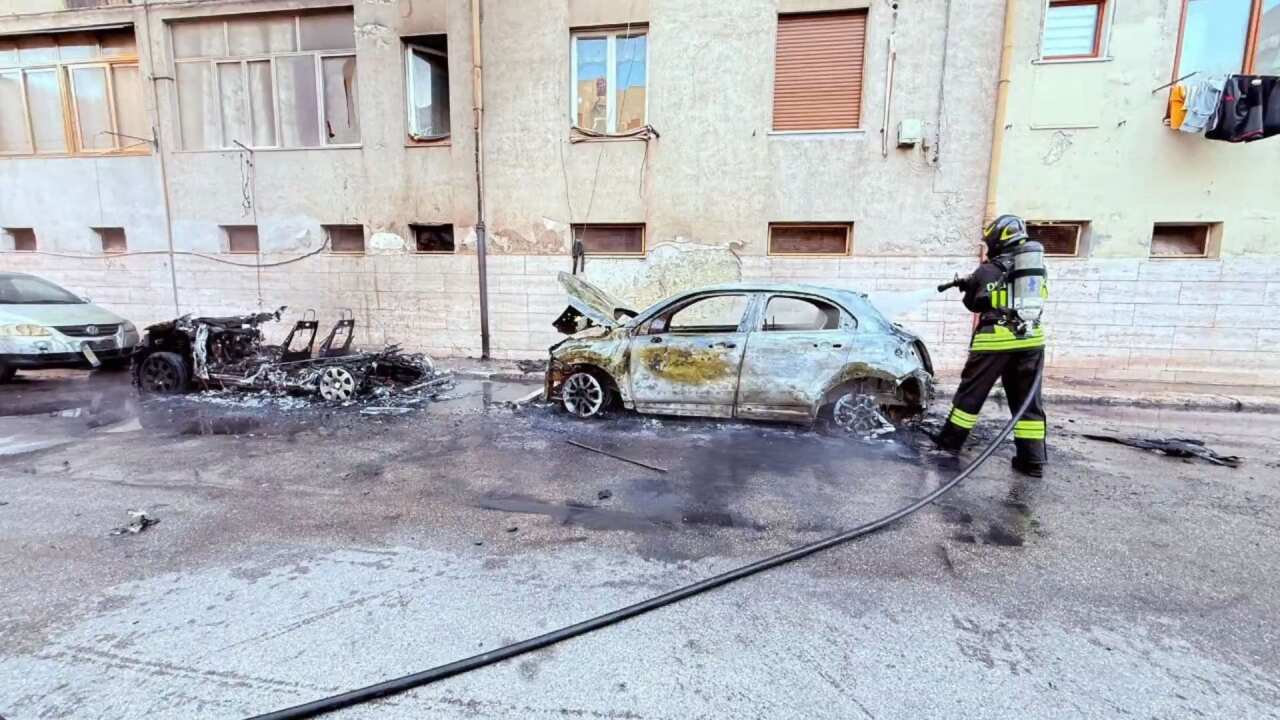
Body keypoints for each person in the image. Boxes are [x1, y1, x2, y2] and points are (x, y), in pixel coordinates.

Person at [935, 214, 1048, 477]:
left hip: (995, 340)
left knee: (970, 398)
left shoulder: (988, 269)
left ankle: (949, 447)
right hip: (1031, 341)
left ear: (998, 239)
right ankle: (1032, 462)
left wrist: (968, 286)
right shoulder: (1034, 268)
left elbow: (974, 303)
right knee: (1027, 401)